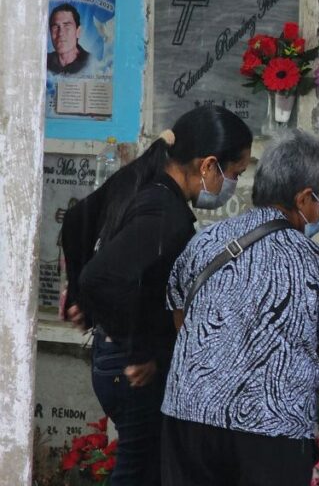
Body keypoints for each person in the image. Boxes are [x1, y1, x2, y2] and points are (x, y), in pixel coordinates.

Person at [62, 105, 252, 485]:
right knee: (139, 472)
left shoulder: (148, 187)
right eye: (235, 174)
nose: (232, 183)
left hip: (113, 361)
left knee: (144, 469)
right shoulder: (165, 211)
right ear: (209, 165)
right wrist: (139, 349)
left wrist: (78, 299)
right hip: (129, 370)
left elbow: (76, 219)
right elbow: (104, 278)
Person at [161, 130, 319, 486]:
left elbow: (181, 321)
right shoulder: (318, 264)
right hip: (272, 428)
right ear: (304, 198)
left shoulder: (204, 241)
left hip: (188, 415)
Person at [47, 3, 91, 74]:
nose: (60, 33)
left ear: (78, 31)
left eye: (67, 26)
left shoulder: (92, 64)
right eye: (55, 27)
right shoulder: (44, 61)